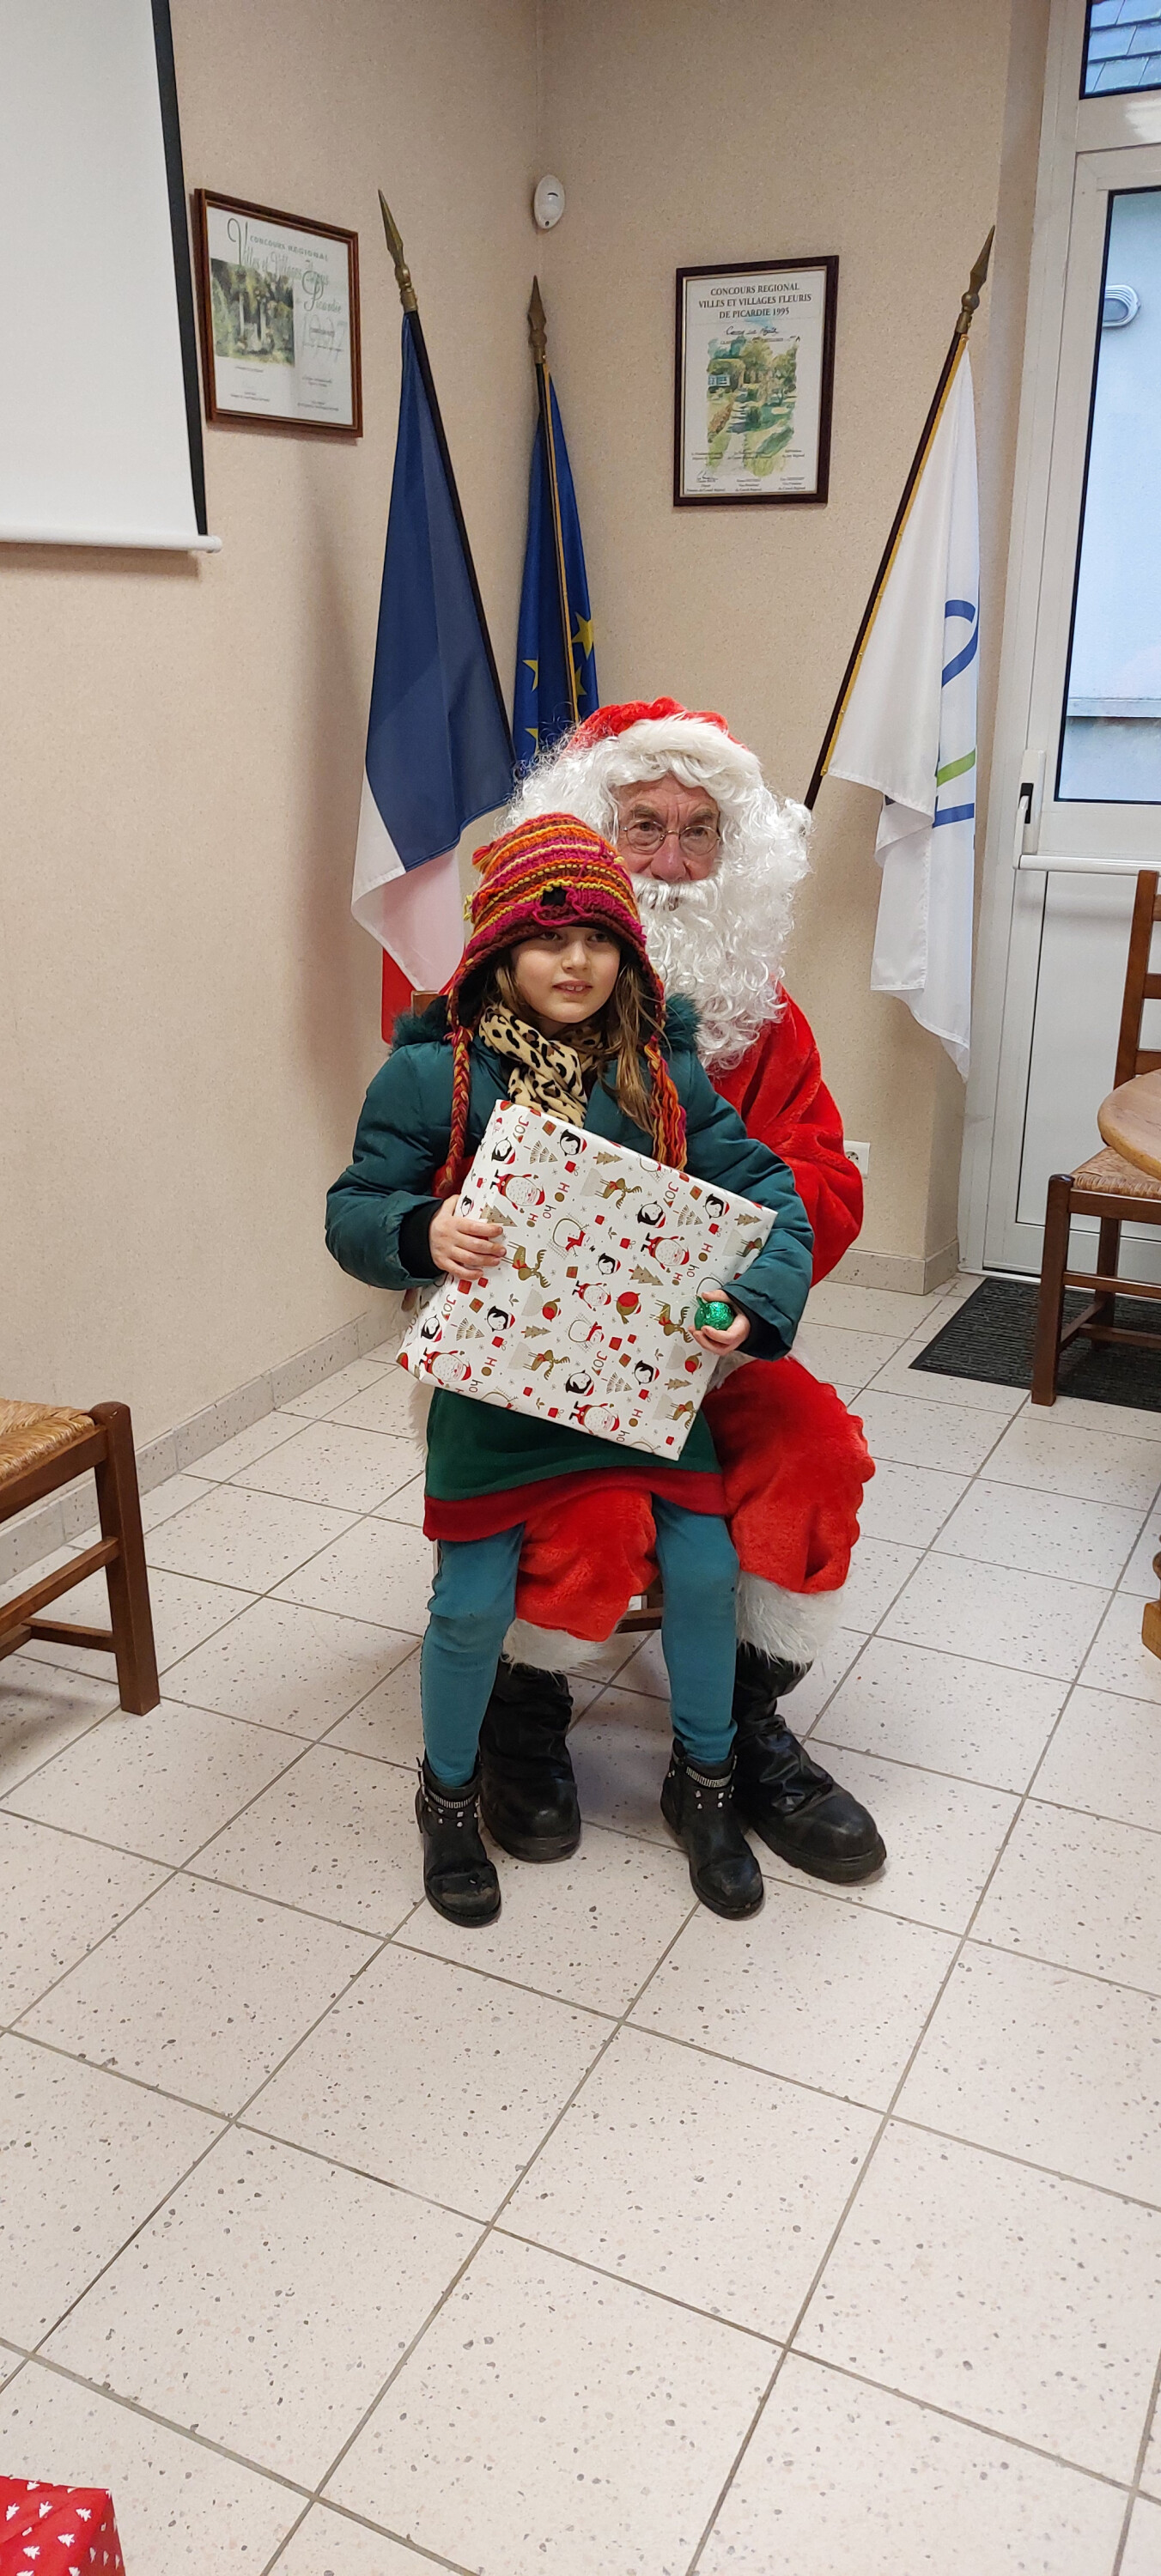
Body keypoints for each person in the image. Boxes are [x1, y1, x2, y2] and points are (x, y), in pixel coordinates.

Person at [326, 813, 814, 1927]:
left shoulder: (659, 1070)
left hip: (643, 1386)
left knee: (705, 1570)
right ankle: (448, 1797)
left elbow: (768, 1193)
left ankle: (707, 1784)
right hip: (496, 1392)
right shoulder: (432, 1074)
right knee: (470, 1605)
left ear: (626, 954)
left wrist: (752, 1299)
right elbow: (355, 1208)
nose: (576, 961)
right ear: (500, 948)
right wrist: (420, 1231)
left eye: (599, 938)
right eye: (548, 939)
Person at [479, 697, 885, 1884]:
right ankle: (522, 1705)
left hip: (720, 1346)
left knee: (815, 1455)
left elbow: (821, 1178)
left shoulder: (768, 1023)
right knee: (587, 1516)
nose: (669, 860)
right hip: (546, 1357)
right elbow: (439, 1175)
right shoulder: (502, 1011)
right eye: (641, 826)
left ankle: (744, 1728)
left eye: (698, 830)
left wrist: (731, 1269)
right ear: (589, 839)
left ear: (733, 855)